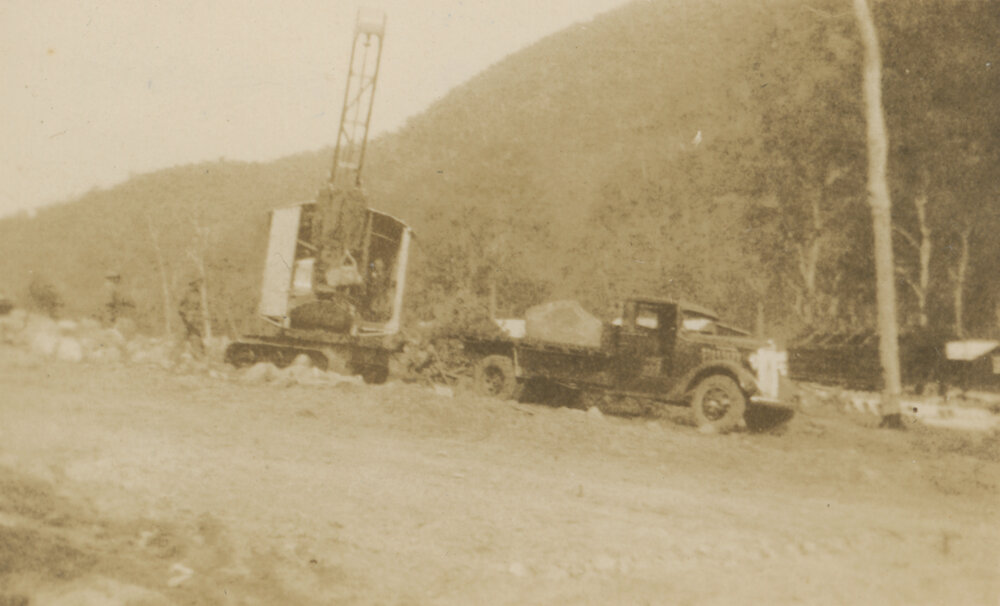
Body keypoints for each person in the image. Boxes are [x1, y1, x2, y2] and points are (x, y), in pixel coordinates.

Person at [178, 278, 205, 356]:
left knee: (196, 336)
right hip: (185, 319)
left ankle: (199, 355)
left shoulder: (197, 293)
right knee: (182, 338)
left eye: (200, 283)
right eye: (198, 283)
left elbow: (198, 306)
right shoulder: (186, 292)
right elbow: (180, 305)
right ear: (193, 283)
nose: (199, 285)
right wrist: (185, 316)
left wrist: (198, 315)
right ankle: (175, 357)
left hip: (194, 319)